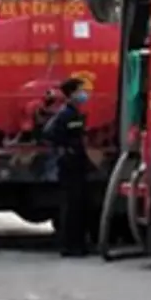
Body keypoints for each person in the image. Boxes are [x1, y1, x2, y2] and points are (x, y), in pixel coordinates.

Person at [42, 78, 92, 259]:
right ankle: (70, 246)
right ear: (71, 94)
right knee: (71, 207)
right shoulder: (65, 114)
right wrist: (65, 148)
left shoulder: (74, 113)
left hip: (77, 164)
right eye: (80, 90)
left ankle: (78, 244)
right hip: (69, 165)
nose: (84, 94)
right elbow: (49, 133)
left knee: (79, 206)